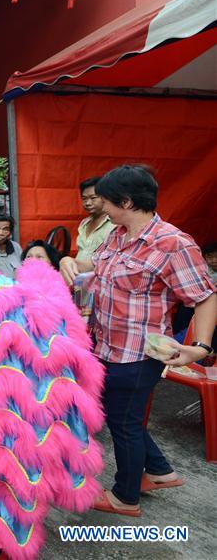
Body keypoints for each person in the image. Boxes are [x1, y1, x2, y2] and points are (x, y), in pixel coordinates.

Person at [59, 165, 216, 517]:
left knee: (125, 423)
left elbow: (206, 297)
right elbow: (95, 265)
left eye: (106, 201)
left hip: (137, 355)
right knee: (121, 416)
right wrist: (71, 260)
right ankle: (159, 471)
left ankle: (125, 497)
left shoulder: (173, 244)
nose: (101, 208)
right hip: (105, 345)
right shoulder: (118, 234)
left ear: (126, 201)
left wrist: (201, 347)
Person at [75, 176, 114, 263]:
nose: (88, 203)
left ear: (106, 197)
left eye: (93, 198)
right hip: (77, 274)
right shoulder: (84, 223)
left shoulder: (115, 224)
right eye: (84, 199)